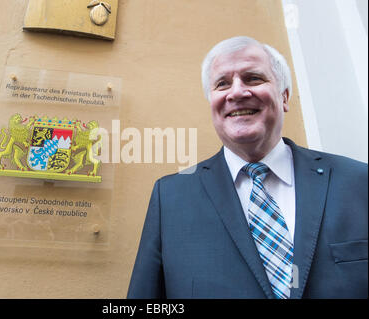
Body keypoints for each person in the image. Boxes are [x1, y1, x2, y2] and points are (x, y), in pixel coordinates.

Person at [127, 36, 368, 299]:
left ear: (284, 97)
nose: (237, 92)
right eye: (222, 83)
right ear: (211, 102)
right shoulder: (170, 197)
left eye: (253, 78)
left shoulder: (357, 182)